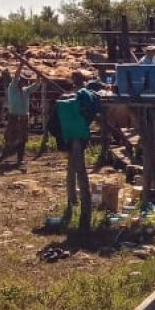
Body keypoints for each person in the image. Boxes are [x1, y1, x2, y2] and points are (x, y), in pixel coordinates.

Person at [56, 81, 103, 231]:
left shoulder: (74, 99)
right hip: (75, 133)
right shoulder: (87, 100)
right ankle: (80, 206)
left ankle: (72, 199)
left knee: (72, 166)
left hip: (67, 133)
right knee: (78, 169)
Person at [0, 58, 40, 168]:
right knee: (11, 137)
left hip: (24, 116)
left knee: (23, 139)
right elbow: (16, 77)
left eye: (26, 81)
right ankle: (2, 156)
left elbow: (37, 85)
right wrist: (21, 66)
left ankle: (20, 159)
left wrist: (38, 75)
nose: (25, 82)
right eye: (23, 80)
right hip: (14, 116)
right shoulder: (12, 88)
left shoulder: (26, 90)